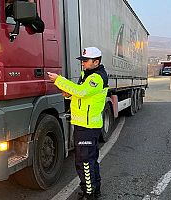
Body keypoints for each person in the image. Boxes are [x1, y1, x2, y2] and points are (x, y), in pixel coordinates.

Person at [48, 47, 108, 200]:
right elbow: (80, 95)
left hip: (88, 127)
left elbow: (81, 92)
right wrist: (68, 95)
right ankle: (93, 189)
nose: (83, 64)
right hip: (83, 124)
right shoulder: (86, 75)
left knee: (84, 161)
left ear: (96, 61)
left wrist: (59, 80)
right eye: (82, 61)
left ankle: (89, 193)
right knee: (89, 160)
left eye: (86, 61)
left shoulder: (97, 78)